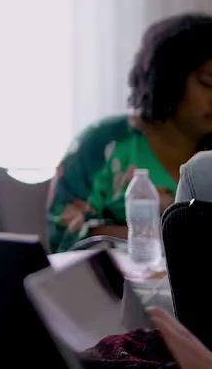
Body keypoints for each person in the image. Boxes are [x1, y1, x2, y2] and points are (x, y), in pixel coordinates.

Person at [48, 13, 212, 252]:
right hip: (111, 287)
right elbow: (66, 240)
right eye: (208, 82)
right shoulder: (103, 147)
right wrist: (159, 239)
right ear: (168, 77)